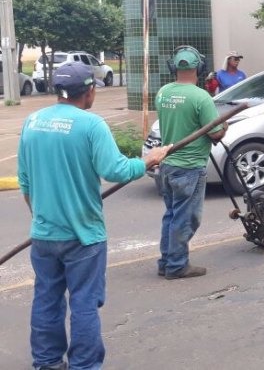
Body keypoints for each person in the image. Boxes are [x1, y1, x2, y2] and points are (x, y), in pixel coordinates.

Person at [17, 62, 170, 370]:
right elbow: (116, 170)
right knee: (84, 302)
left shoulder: (32, 122)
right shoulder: (91, 125)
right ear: (88, 92)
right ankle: (84, 365)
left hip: (44, 236)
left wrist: (41, 219)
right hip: (83, 236)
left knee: (46, 299)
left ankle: (46, 362)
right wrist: (148, 160)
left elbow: (25, 181)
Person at [155, 46, 227, 279]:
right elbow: (215, 133)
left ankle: (166, 262)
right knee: (185, 218)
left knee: (171, 215)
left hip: (167, 166)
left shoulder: (163, 92)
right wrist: (224, 126)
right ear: (199, 67)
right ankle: (177, 265)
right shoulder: (200, 97)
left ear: (173, 66)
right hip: (189, 167)